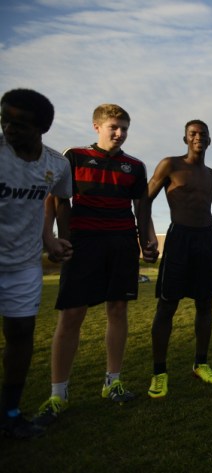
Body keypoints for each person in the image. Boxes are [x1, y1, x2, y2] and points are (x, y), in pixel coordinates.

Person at [34, 104, 157, 427]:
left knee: (117, 310)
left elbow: (141, 207)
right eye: (114, 127)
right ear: (96, 126)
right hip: (83, 244)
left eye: (124, 128)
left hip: (121, 244)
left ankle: (112, 381)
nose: (119, 133)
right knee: (72, 314)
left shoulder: (134, 166)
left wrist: (148, 239)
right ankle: (58, 394)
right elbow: (57, 200)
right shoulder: (72, 157)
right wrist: (54, 237)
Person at [143, 119, 212, 398]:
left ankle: (201, 363)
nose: (198, 138)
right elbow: (144, 200)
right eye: (193, 134)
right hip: (179, 238)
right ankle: (159, 372)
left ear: (209, 140)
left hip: (206, 238)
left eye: (203, 134)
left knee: (205, 303)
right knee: (167, 306)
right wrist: (143, 237)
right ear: (185, 139)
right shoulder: (170, 165)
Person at [0, 89, 72, 438]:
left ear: (42, 127)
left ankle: (11, 413)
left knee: (20, 334)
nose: (9, 129)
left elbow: (50, 205)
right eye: (5, 120)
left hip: (24, 265)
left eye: (20, 123)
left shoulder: (56, 165)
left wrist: (51, 240)